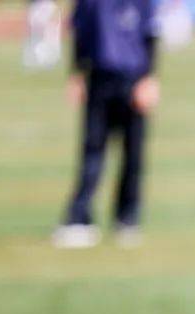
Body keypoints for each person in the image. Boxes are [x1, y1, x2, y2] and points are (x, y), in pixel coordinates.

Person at [53, 0, 160, 249]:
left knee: (133, 155)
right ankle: (80, 218)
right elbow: (80, 33)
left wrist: (149, 78)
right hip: (100, 78)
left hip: (134, 78)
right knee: (92, 151)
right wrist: (77, 75)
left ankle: (127, 218)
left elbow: (151, 34)